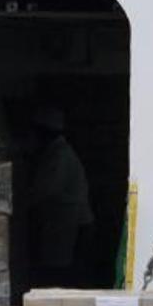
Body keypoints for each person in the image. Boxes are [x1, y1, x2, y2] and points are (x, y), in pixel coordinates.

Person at [26, 107, 94, 288]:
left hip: (70, 224)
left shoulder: (60, 156)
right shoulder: (55, 154)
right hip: (63, 223)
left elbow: (48, 189)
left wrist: (25, 202)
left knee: (62, 275)